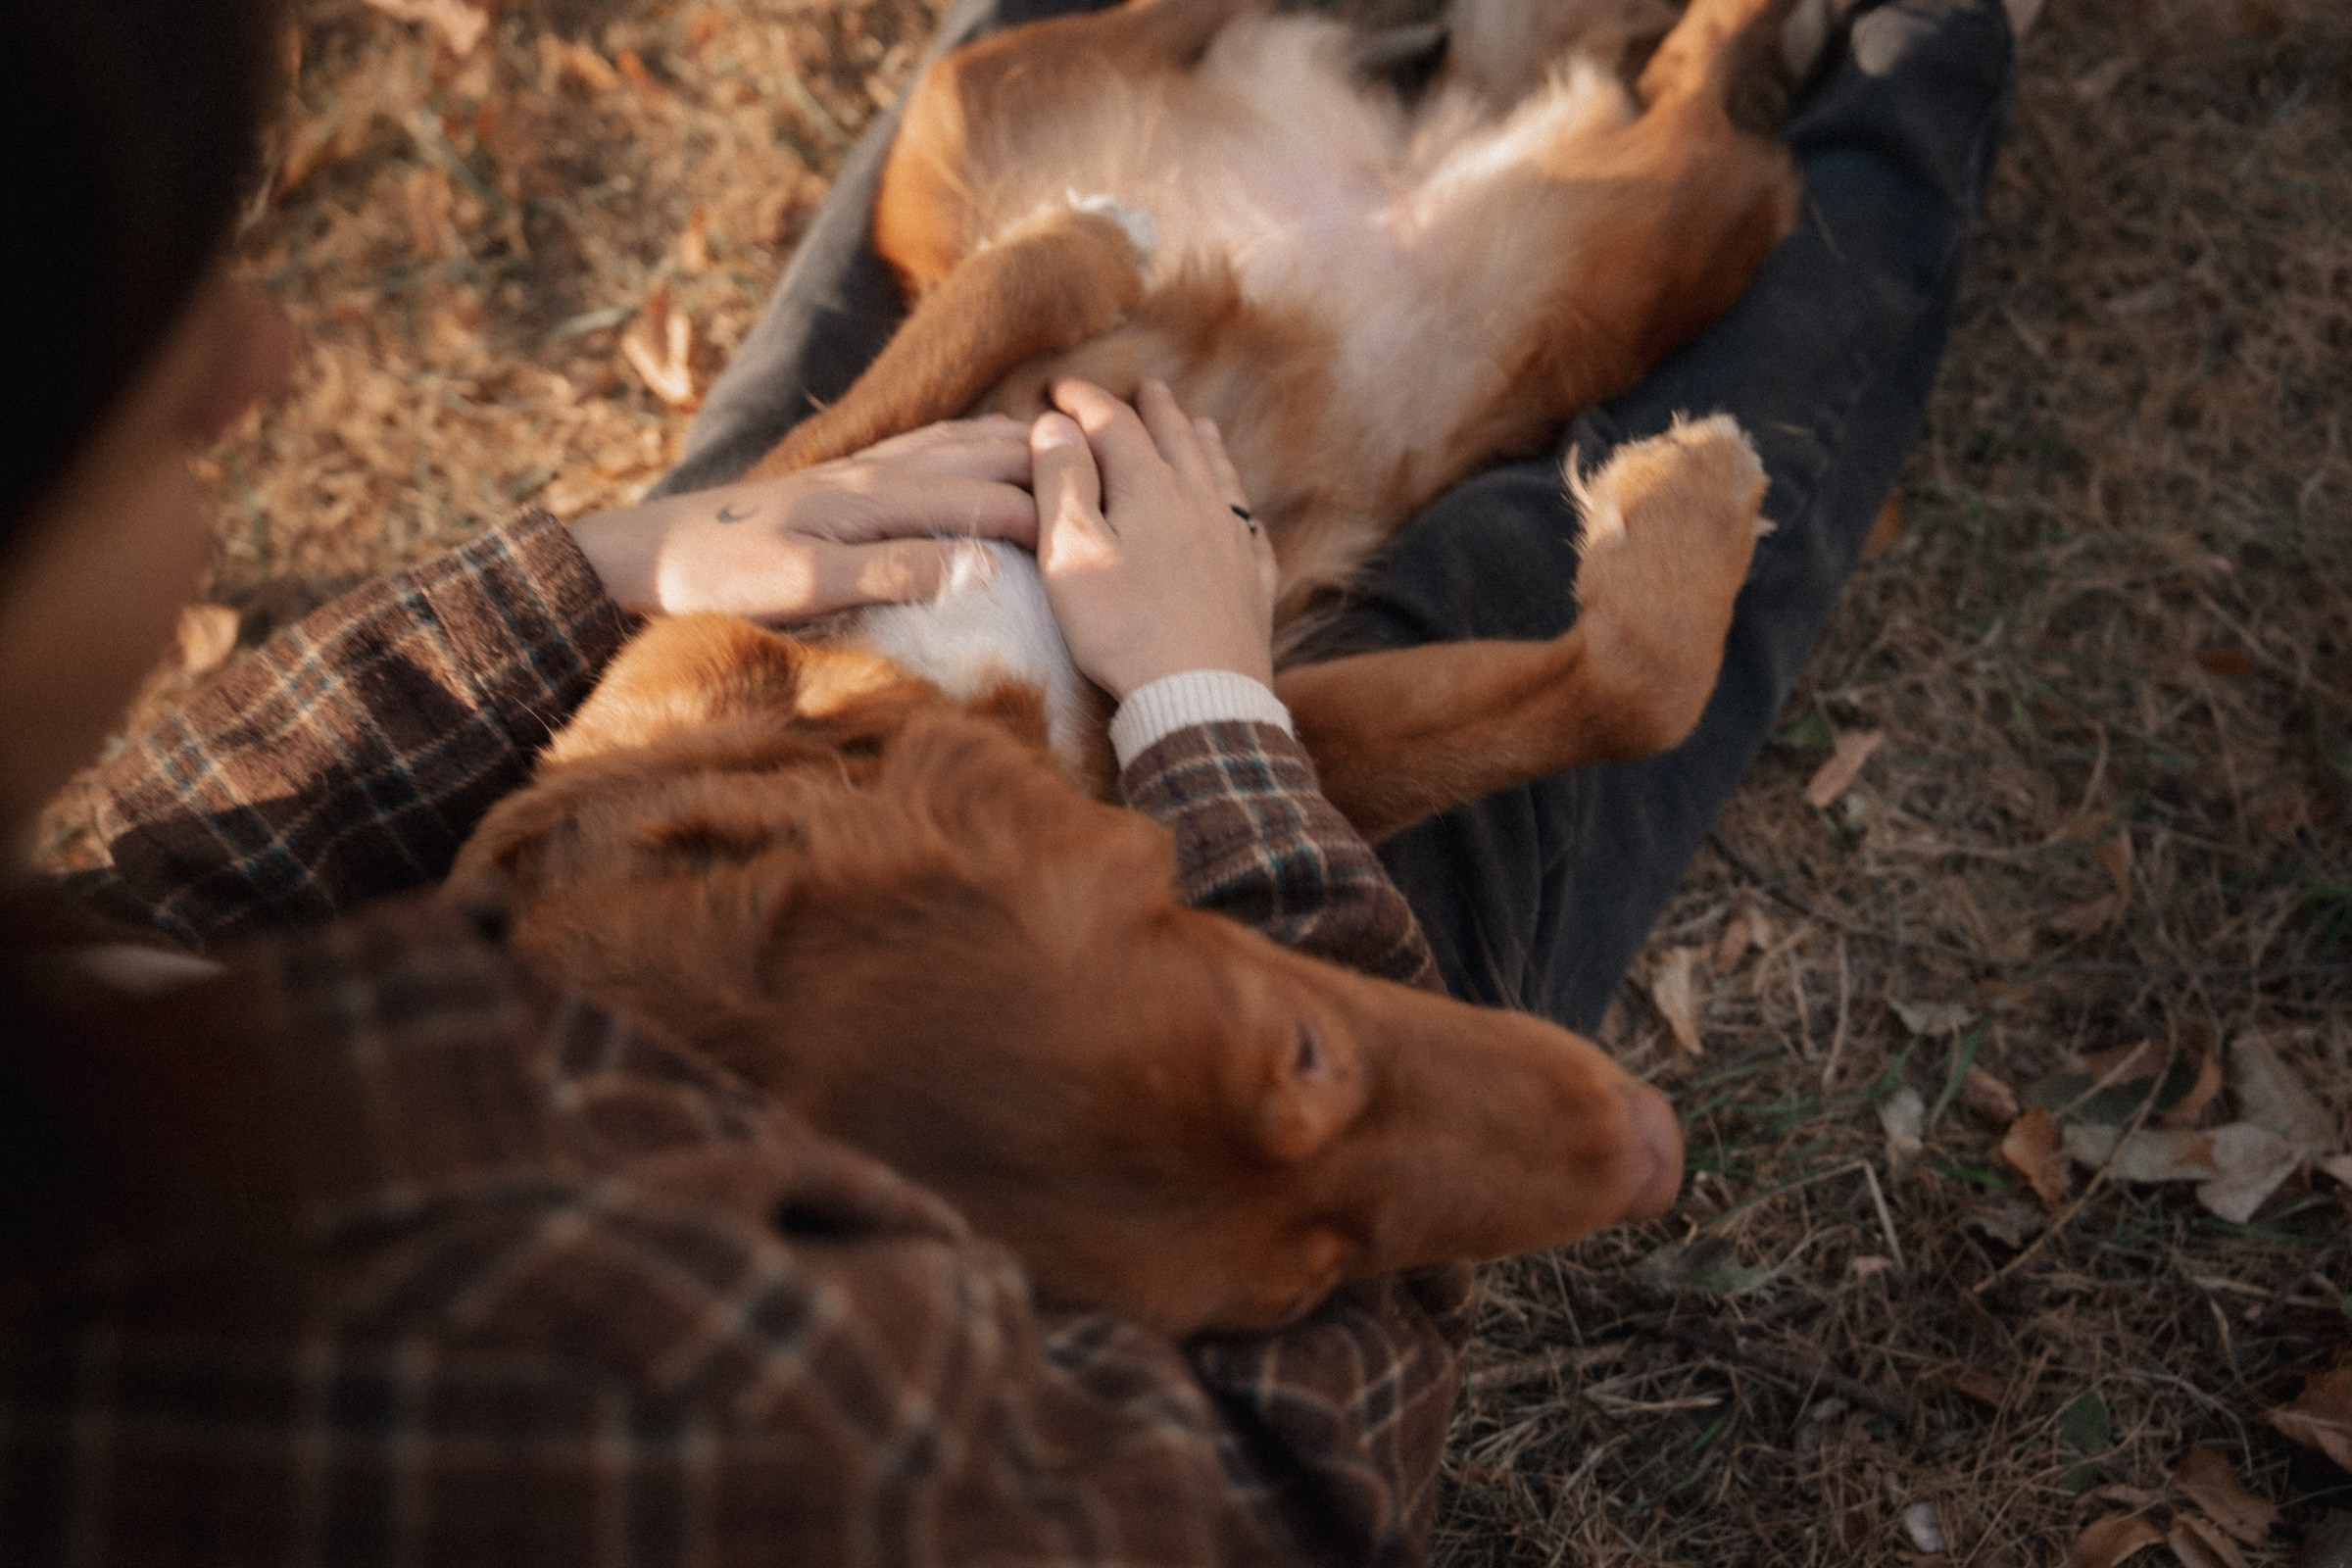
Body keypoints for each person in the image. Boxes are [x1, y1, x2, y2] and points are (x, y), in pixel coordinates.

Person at [0, 0, 2020, 1563]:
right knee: (1643, 420)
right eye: (132, 384)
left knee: (966, 172)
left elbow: (167, 860)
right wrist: (1215, 718)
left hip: (739, 752)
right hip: (1071, 954)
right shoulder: (604, 1404)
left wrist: (622, 561)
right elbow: (1279, 1500)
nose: (256, 362)